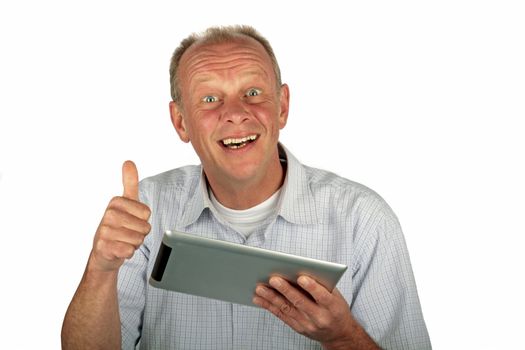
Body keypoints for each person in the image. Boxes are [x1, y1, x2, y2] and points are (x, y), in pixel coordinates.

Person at [61, 25, 431, 349]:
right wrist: (101, 269)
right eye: (209, 99)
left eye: (253, 93)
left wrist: (341, 336)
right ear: (181, 122)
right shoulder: (144, 209)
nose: (236, 112)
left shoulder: (364, 220)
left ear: (282, 106)